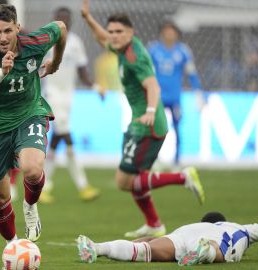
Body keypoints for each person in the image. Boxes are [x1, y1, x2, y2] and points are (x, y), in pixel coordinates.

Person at [81, 0, 205, 238]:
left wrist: (149, 111)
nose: (114, 36)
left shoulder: (135, 57)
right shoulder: (123, 46)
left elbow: (153, 85)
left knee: (124, 181)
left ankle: (183, 176)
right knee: (137, 180)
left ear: (131, 32)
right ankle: (154, 224)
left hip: (147, 126)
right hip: (139, 123)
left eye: (119, 32)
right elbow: (103, 38)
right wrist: (88, 18)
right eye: (112, 31)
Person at [0, 4, 67, 242]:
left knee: (32, 170)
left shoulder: (35, 42)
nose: (3, 37)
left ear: (17, 28)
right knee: (1, 198)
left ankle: (30, 206)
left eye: (8, 31)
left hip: (29, 113)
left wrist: (56, 61)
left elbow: (61, 28)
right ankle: (14, 247)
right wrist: (1, 73)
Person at [39, 7, 101, 204]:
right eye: (60, 19)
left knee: (57, 141)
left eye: (66, 19)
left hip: (68, 97)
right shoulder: (45, 40)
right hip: (51, 94)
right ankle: (83, 186)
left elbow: (82, 70)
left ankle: (44, 187)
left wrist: (94, 86)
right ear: (54, 20)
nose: (63, 22)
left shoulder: (75, 43)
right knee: (67, 138)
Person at [76, 212, 258, 266]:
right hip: (213, 238)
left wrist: (136, 242)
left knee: (144, 249)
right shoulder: (238, 228)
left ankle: (97, 248)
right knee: (217, 248)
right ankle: (204, 252)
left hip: (181, 234)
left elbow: (151, 238)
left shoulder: (193, 225)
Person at [148, 21, 204, 167]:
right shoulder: (153, 50)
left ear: (177, 33)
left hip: (175, 97)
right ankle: (155, 158)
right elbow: (146, 71)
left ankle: (177, 159)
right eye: (166, 31)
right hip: (157, 97)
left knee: (177, 127)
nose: (169, 34)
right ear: (161, 32)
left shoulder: (183, 51)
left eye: (172, 31)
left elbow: (191, 74)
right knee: (155, 128)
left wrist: (198, 94)